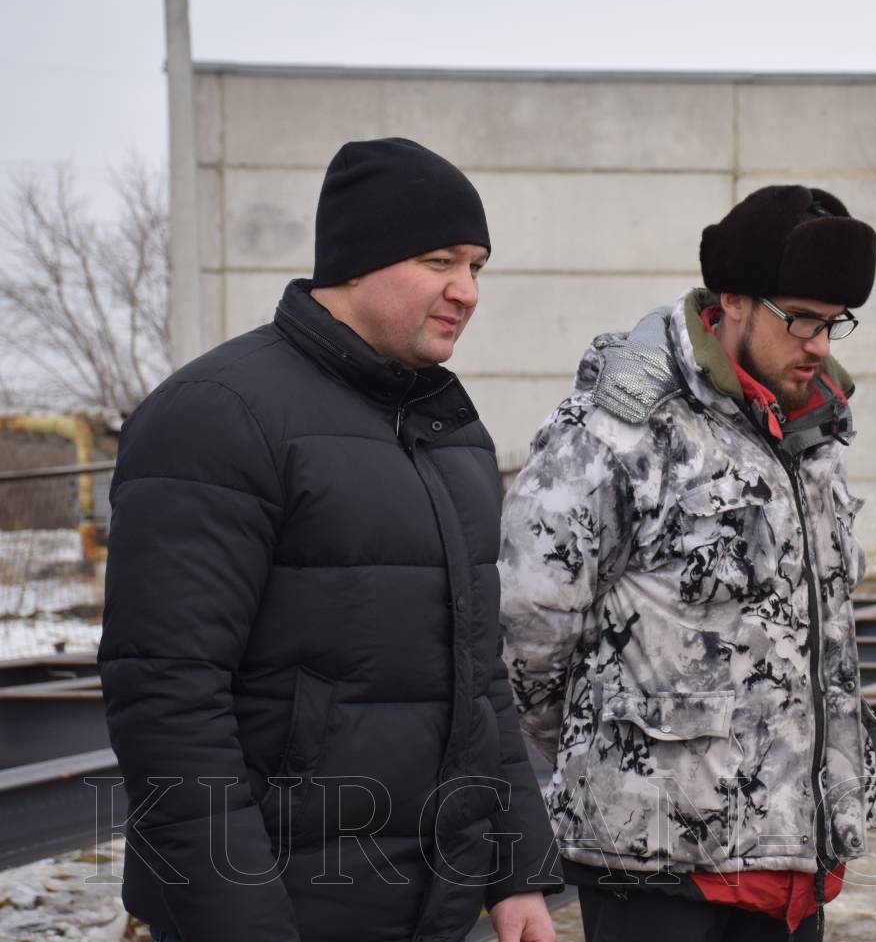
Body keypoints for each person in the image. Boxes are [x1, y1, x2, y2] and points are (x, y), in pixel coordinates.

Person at [99, 137, 558, 942]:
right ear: (354, 261)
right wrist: (243, 924)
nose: (466, 291)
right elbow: (169, 698)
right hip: (276, 907)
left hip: (429, 910)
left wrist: (516, 872)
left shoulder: (450, 433)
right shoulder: (219, 414)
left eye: (476, 266)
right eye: (440, 261)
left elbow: (478, 677)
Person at [498, 185, 876, 941]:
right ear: (732, 300)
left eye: (834, 322)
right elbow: (527, 621)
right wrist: (609, 748)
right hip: (660, 869)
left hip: (792, 865)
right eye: (801, 318)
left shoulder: (813, 431)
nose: (819, 345)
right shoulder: (624, 427)